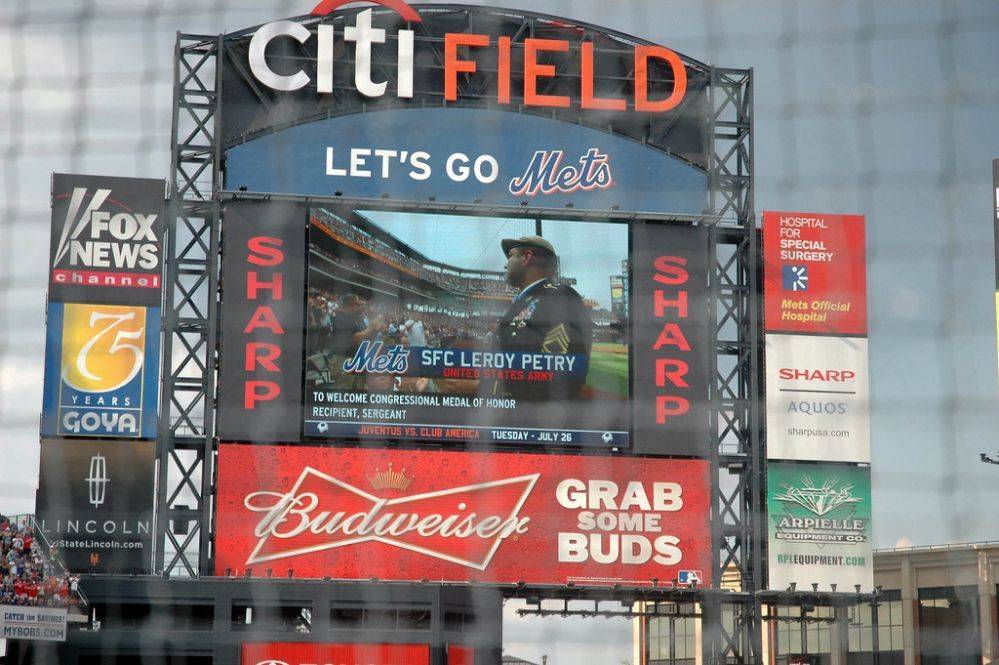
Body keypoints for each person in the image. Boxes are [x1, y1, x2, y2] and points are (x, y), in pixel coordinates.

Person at [489, 235, 592, 402]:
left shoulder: (559, 296)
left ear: (527, 257)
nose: (506, 264)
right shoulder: (525, 300)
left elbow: (555, 373)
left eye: (510, 256)